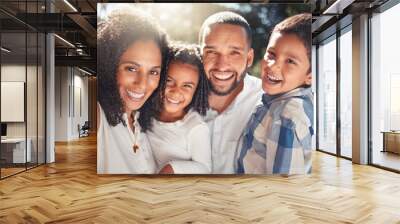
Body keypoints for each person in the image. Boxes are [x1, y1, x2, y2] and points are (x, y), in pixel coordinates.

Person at [237, 13, 314, 175]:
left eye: (290, 61)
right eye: (271, 54)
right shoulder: (276, 100)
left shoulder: (287, 118)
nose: (273, 66)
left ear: (310, 75)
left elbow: (283, 185)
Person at [97, 8, 169, 174]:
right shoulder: (99, 115)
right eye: (131, 68)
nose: (142, 84)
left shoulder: (143, 120)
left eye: (153, 72)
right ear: (109, 65)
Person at [198, 11, 263, 174]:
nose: (221, 65)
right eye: (212, 52)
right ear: (200, 55)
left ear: (249, 59)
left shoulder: (268, 100)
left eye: (234, 52)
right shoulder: (178, 97)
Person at [145, 44, 212, 174]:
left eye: (187, 86)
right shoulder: (146, 112)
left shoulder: (195, 127)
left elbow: (205, 168)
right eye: (169, 81)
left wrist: (171, 168)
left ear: (197, 90)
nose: (176, 92)